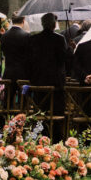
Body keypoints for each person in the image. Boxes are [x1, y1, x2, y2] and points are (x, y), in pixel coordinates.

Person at [27, 13, 70, 141]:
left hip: (39, 80)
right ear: (53, 24)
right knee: (57, 110)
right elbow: (63, 59)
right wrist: (70, 50)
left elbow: (30, 60)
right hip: (56, 82)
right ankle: (57, 137)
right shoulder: (59, 39)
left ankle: (41, 134)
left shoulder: (34, 39)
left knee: (41, 109)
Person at [0, 16, 31, 86]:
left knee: (8, 96)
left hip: (8, 73)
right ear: (23, 21)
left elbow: (3, 51)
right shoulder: (27, 36)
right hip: (23, 74)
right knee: (23, 96)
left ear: (12, 21)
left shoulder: (4, 36)